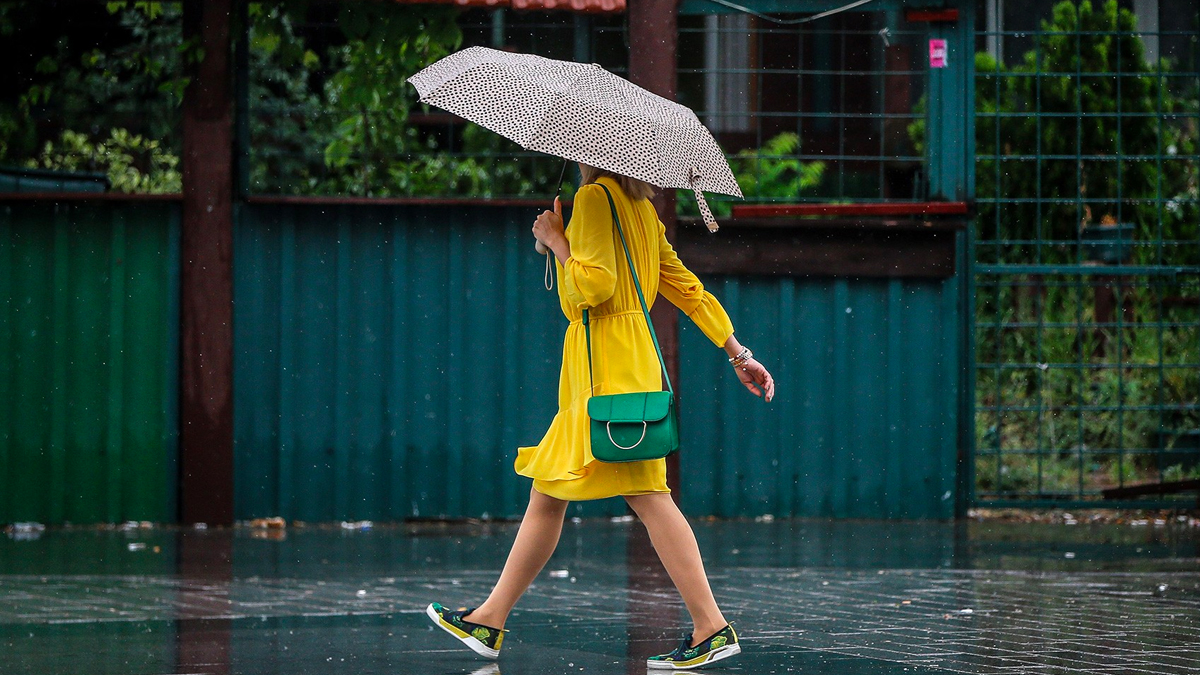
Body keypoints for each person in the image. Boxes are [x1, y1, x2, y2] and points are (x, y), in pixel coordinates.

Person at [427, 164, 775, 670]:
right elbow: (687, 289)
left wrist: (556, 240)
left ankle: (712, 626)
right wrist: (738, 353)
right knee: (552, 488)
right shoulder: (643, 209)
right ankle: (490, 618)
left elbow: (591, 289)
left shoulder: (594, 200)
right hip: (626, 365)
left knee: (646, 495)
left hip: (602, 368)